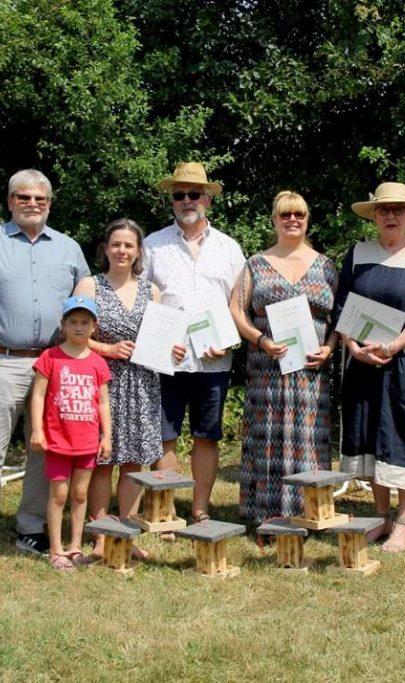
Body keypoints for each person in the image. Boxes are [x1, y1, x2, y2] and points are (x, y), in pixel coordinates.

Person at [0, 169, 90, 566]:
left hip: (53, 364)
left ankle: (31, 528)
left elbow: (85, 293)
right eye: (24, 197)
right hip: (1, 360)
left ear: (49, 203)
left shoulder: (67, 247)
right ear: (10, 201)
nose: (32, 204)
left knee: (44, 450)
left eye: (40, 199)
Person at [334, 181, 405, 553]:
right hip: (362, 362)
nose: (390, 215)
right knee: (370, 435)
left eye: (398, 210)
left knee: (403, 433)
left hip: (404, 363)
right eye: (384, 210)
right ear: (374, 215)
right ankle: (381, 518)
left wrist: (394, 345)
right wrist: (353, 346)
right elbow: (342, 305)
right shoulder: (357, 253)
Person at [142, 162, 245, 523]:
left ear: (208, 200)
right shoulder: (152, 245)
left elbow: (239, 304)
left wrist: (229, 342)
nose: (187, 200)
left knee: (207, 436)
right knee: (165, 436)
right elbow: (142, 301)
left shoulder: (230, 248)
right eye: (179, 195)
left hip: (214, 360)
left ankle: (200, 508)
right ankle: (166, 510)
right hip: (166, 359)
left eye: (194, 194)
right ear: (172, 201)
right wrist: (159, 342)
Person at [74, 219, 183, 556]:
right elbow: (73, 334)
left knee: (133, 462)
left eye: (129, 245)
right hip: (101, 383)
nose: (122, 250)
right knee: (103, 461)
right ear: (106, 248)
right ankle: (101, 535)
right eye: (116, 244)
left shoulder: (151, 291)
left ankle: (126, 534)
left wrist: (173, 350)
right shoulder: (90, 286)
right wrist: (105, 349)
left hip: (142, 385)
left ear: (138, 252)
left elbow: (159, 339)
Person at [229, 191, 338, 525]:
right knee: (267, 438)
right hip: (267, 368)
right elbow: (236, 309)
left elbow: (340, 317)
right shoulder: (255, 263)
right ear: (274, 220)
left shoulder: (326, 265)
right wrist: (260, 340)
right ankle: (265, 514)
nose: (292, 220)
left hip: (310, 370)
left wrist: (330, 348)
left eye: (299, 214)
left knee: (308, 439)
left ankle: (310, 513)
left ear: (307, 220)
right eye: (285, 215)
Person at [29, 297, 112, 571]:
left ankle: (76, 546)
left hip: (86, 442)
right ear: (63, 325)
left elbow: (103, 402)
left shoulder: (98, 363)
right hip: (57, 440)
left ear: (94, 327)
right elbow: (38, 396)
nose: (79, 327)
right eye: (73, 321)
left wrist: (107, 436)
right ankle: (56, 549)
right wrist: (38, 430)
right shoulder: (50, 357)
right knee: (59, 495)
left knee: (79, 494)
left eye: (85, 322)